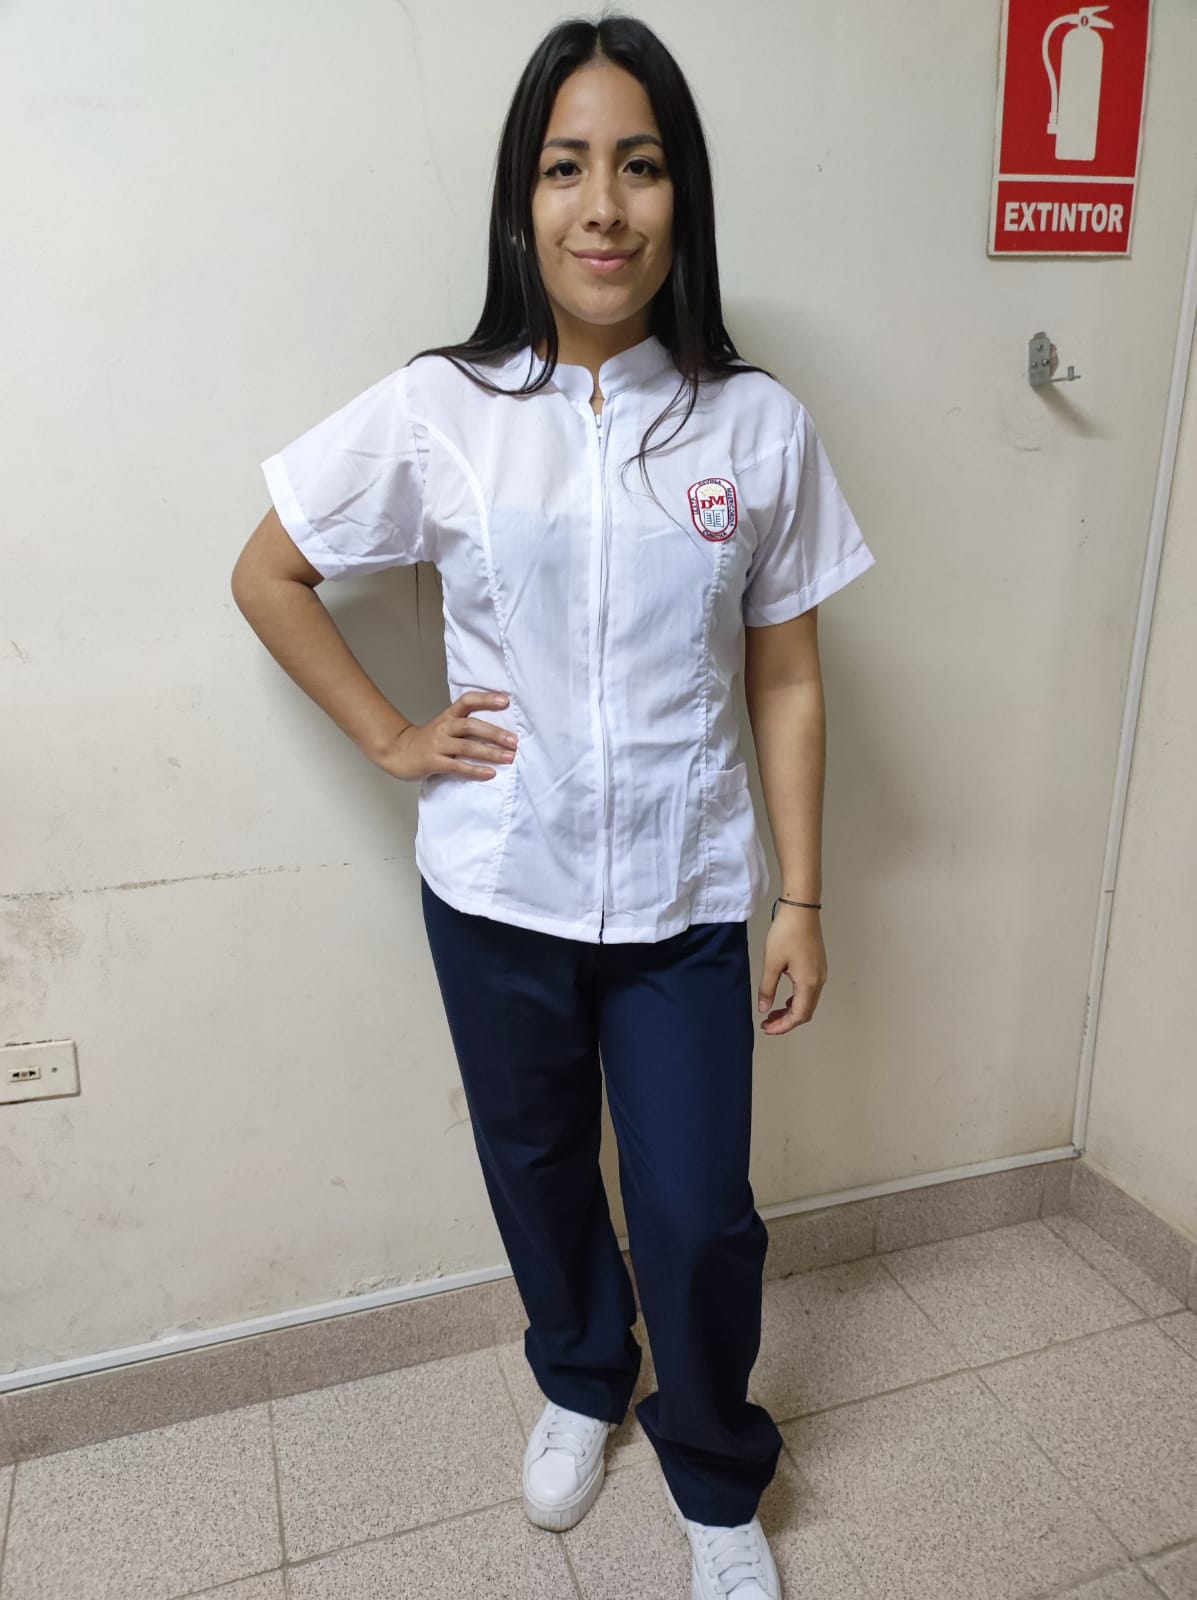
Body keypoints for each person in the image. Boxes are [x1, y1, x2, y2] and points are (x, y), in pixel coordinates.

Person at [232, 14, 874, 1598]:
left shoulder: (753, 425)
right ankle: (582, 1376)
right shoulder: (442, 406)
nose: (603, 207)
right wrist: (393, 737)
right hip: (495, 885)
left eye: (638, 167)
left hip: (682, 897)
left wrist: (800, 896)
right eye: (565, 168)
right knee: (533, 1167)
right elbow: (270, 573)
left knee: (697, 1212)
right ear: (521, 204)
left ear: (681, 196)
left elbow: (787, 675)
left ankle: (713, 1471)